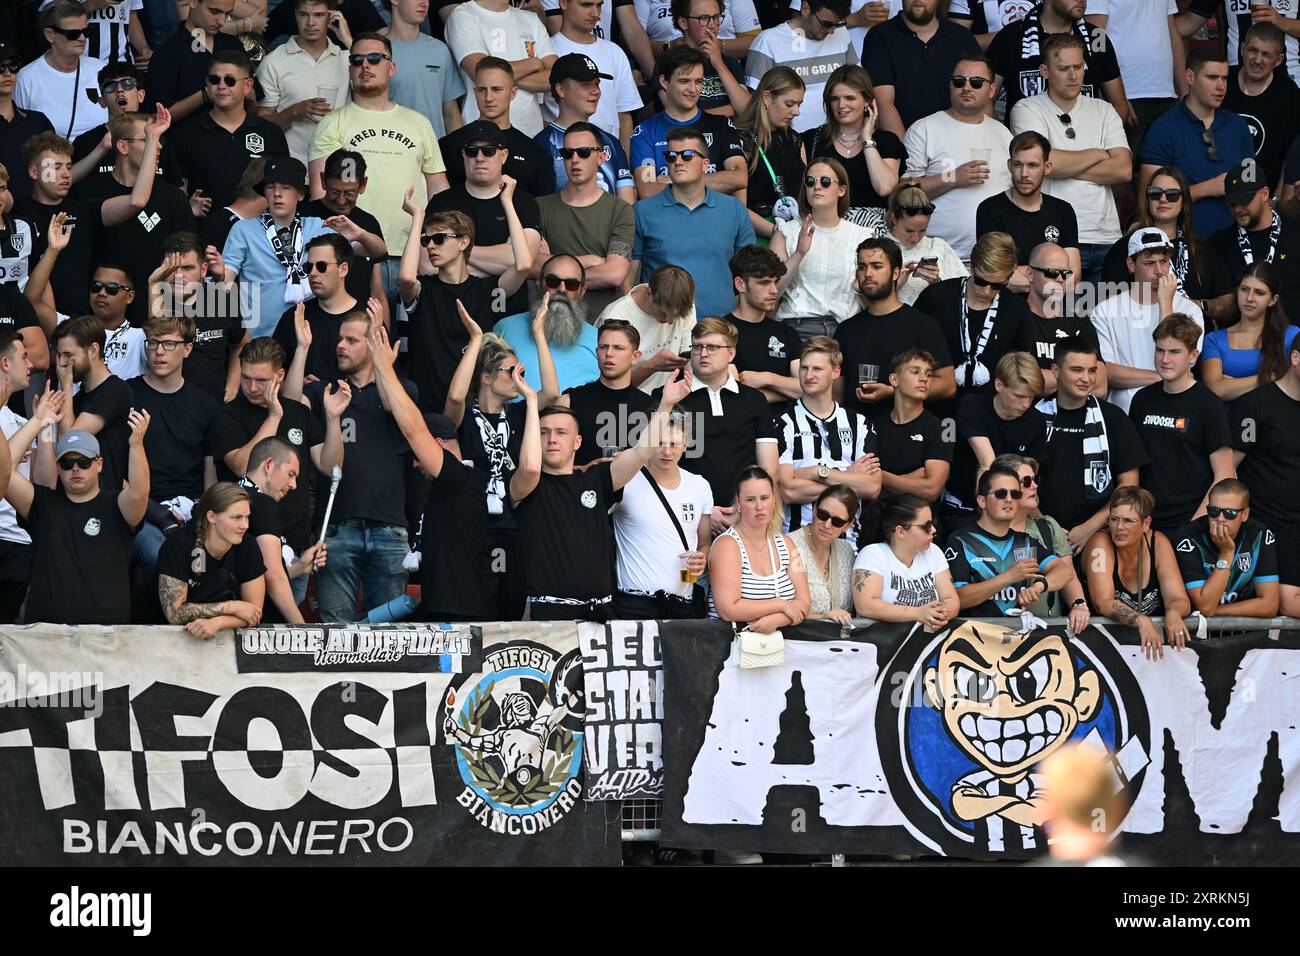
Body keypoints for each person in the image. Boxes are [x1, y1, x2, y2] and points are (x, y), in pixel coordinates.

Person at [511, 372, 692, 621]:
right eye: (543, 432)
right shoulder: (527, 484)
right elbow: (531, 467)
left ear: (577, 442)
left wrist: (666, 405)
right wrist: (532, 402)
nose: (552, 439)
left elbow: (641, 453)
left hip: (599, 614)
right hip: (548, 611)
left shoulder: (596, 478)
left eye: (561, 432)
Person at [363, 321, 498, 622]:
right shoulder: (448, 484)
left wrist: (383, 368)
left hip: (460, 615)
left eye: (416, 456)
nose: (413, 463)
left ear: (436, 445)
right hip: (440, 608)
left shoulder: (461, 479)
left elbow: (413, 429)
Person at [290, 307, 417, 623]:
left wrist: (383, 362)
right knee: (336, 634)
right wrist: (303, 348)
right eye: (339, 339)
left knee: (388, 637)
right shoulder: (326, 390)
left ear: (374, 343)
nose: (340, 346)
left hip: (389, 528)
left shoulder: (403, 390)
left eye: (351, 340)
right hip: (336, 528)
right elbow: (291, 407)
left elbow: (392, 405)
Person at [308, 32, 451, 287]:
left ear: (392, 67)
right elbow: (321, 194)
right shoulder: (332, 123)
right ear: (349, 69)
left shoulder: (419, 123)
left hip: (414, 254)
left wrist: (436, 245)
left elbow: (439, 192)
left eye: (375, 58)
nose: (365, 65)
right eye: (357, 59)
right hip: (354, 255)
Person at [208, 336, 343, 602]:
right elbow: (241, 466)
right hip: (246, 549)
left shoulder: (299, 413)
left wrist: (334, 419)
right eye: (246, 378)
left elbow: (330, 466)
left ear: (280, 375)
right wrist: (273, 416)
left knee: (284, 635)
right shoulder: (228, 415)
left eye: (261, 380)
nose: (252, 387)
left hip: (296, 548)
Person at [443, 325, 558, 621]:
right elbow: (456, 397)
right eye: (512, 372)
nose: (520, 379)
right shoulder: (466, 418)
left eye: (522, 373)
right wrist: (476, 341)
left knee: (508, 611)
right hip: (470, 527)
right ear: (486, 376)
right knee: (470, 610)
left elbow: (552, 392)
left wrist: (540, 334)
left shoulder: (519, 414)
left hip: (511, 527)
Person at [4, 415, 148, 625]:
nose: (75, 468)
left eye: (83, 461)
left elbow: (140, 494)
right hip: (45, 636)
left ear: (99, 464)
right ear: (58, 467)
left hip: (105, 637)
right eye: (67, 462)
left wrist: (136, 445)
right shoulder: (42, 504)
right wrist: (38, 419)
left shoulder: (116, 505)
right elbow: (2, 471)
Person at [1009, 33, 1129, 284]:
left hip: (1106, 235)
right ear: (1044, 70)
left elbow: (1124, 170)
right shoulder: (1027, 108)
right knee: (1061, 319)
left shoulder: (1104, 109)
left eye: (1078, 66)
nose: (1073, 75)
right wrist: (1097, 154)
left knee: (1104, 320)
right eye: (1063, 68)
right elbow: (1037, 164)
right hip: (1055, 237)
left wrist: (1058, 164)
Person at [399, 194, 532, 411]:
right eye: (426, 240)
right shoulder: (423, 289)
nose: (430, 246)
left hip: (474, 411)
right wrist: (418, 218)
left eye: (439, 238)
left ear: (463, 242)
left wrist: (507, 201)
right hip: (427, 408)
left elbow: (524, 265)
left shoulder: (487, 290)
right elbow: (406, 277)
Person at [17, 133, 163, 323]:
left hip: (81, 321)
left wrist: (151, 140)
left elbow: (136, 201)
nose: (65, 174)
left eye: (69, 167)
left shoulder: (83, 209)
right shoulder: (16, 210)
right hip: (31, 320)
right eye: (56, 167)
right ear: (34, 172)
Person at [128, 314, 220, 588]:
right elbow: (112, 470)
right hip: (141, 508)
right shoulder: (126, 395)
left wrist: (203, 515)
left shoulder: (205, 404)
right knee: (159, 556)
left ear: (188, 349)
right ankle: (143, 625)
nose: (158, 352)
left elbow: (210, 470)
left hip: (192, 510)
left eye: (168, 344)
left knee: (202, 565)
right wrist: (158, 514)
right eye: (152, 343)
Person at [78, 108, 192, 328]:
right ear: (122, 146)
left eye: (159, 139)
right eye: (149, 138)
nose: (158, 146)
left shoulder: (173, 198)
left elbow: (187, 259)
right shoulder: (90, 192)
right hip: (101, 316)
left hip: (157, 313)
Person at [1034, 336, 1148, 553]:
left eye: (1092, 371)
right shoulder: (1035, 417)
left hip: (1100, 532)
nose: (1086, 378)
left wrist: (1089, 528)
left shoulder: (1113, 417)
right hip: (1039, 530)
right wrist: (1047, 527)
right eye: (1077, 370)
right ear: (1056, 371)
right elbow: (1019, 482)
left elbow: (1129, 483)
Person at [632, 125, 755, 319]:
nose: (678, 161)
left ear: (706, 164)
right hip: (662, 327)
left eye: (687, 155)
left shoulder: (734, 209)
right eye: (671, 156)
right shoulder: (642, 211)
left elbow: (750, 274)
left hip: (720, 329)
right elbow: (631, 278)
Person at [1129, 313, 1235, 537]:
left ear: (1193, 356)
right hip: (1145, 521)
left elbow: (1225, 475)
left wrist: (1193, 526)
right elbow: (1133, 467)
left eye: (1175, 352)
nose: (1165, 359)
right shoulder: (1141, 399)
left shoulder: (1209, 404)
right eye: (1160, 350)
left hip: (1190, 521)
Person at [425, 121, 544, 319]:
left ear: (503, 156)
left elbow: (522, 260)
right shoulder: (442, 201)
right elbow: (425, 263)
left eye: (488, 151)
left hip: (507, 310)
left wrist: (452, 254)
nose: (480, 158)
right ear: (463, 155)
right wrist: (497, 262)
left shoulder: (523, 202)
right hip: (450, 309)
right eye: (472, 151)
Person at [662, 317, 778, 516]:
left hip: (744, 514)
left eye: (713, 347)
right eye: (697, 347)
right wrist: (705, 512)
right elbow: (658, 466)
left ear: (731, 353)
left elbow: (768, 469)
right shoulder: (668, 398)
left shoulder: (754, 400)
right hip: (684, 513)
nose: (703, 354)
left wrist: (742, 510)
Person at [904, 52, 1012, 262]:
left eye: (977, 82)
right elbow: (903, 193)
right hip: (935, 257)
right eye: (959, 81)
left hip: (993, 259)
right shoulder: (924, 129)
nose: (967, 88)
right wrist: (953, 178)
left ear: (992, 90)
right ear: (950, 85)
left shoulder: (1004, 134)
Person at [1139, 47, 1255, 238]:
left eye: (1224, 78)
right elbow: (1147, 201)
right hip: (1185, 243)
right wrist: (1208, 188)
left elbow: (1252, 184)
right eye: (1212, 77)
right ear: (1190, 77)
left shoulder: (1238, 125)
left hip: (1237, 241)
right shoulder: (1163, 129)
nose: (1221, 86)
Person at [834, 236, 956, 418]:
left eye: (877, 266)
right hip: (856, 439)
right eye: (862, 267)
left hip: (907, 437)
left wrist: (895, 391)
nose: (867, 273)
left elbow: (947, 386)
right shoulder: (845, 330)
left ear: (896, 273)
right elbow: (837, 396)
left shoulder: (923, 325)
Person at [609, 411, 713, 619]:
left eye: (674, 444)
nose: (667, 451)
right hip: (634, 602)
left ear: (686, 445)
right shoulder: (626, 479)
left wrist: (702, 560)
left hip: (682, 602)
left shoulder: (699, 486)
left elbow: (704, 542)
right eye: (659, 443)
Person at [777, 336, 880, 545]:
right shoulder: (782, 423)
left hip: (848, 542)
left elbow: (871, 487)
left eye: (817, 369)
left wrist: (817, 472)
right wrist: (847, 479)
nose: (808, 375)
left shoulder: (860, 424)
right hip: (795, 542)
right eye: (804, 368)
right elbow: (786, 490)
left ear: (836, 372)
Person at [916, 231, 1031, 416]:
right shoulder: (937, 297)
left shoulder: (1017, 309)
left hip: (991, 412)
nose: (986, 291)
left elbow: (1019, 365)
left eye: (997, 286)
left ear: (1010, 277)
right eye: (980, 281)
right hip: (935, 410)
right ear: (972, 265)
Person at [217, 156, 334, 338]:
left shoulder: (317, 226)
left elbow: (376, 252)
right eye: (270, 187)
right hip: (258, 338)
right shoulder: (243, 229)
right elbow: (225, 283)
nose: (277, 194)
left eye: (285, 187)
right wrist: (218, 276)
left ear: (301, 195)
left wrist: (357, 234)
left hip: (307, 336)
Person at [1101, 166, 1232, 324]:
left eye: (1172, 195)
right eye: (1155, 193)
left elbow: (1228, 302)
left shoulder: (1202, 248)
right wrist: (1155, 305)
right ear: (1148, 199)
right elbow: (1108, 304)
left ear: (1184, 202)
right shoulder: (1126, 247)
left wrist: (1197, 305)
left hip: (1193, 339)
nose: (1163, 199)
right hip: (1137, 337)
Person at [1092, 229, 1204, 413]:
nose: (1159, 271)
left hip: (1175, 412)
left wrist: (1165, 304)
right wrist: (1161, 378)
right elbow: (1106, 372)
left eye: (1164, 261)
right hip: (1125, 414)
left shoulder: (1190, 310)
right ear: (1131, 264)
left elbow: (1183, 363)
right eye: (1149, 263)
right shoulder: (1105, 311)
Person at [945, 462, 1073, 617]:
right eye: (1000, 494)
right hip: (975, 635)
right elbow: (957, 598)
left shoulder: (1026, 542)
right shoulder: (960, 541)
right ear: (982, 501)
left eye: (1015, 494)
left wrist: (1038, 587)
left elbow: (1064, 572)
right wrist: (1008, 577)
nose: (1009, 499)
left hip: (1016, 636)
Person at [169, 50, 290, 213]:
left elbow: (284, 187)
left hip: (258, 233)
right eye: (214, 79)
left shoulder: (270, 133)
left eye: (230, 80)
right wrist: (186, 207)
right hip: (204, 233)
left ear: (247, 86)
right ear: (207, 84)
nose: (221, 86)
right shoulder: (186, 133)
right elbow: (176, 189)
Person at [1231, 337, 1300, 616]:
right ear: (1295, 358)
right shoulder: (1256, 407)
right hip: (1271, 525)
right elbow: (1228, 467)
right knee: (1288, 599)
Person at [1083, 486, 1192, 660]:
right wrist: (1141, 620)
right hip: (1106, 649)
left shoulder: (1158, 542)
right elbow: (1102, 602)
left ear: (1146, 523)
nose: (1119, 527)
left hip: (1151, 651)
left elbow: (1178, 598)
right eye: (1114, 519)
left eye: (1128, 521)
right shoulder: (1100, 543)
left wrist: (1174, 613)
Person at [537, 122, 636, 316]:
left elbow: (615, 274)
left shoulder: (620, 210)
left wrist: (553, 273)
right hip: (551, 320)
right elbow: (530, 266)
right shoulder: (540, 206)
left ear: (601, 157)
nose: (574, 159)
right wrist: (591, 260)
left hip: (603, 327)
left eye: (583, 152)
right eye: (567, 153)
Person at [772, 158, 877, 333]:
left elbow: (872, 296)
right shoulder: (785, 231)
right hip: (797, 326)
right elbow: (771, 290)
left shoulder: (862, 236)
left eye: (826, 182)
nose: (817, 187)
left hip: (846, 329)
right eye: (810, 181)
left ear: (842, 190)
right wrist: (799, 253)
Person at [629, 46, 747, 201]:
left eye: (698, 81)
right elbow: (648, 190)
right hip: (668, 222)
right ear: (664, 81)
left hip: (715, 221)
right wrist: (717, 180)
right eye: (684, 81)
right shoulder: (645, 132)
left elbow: (739, 178)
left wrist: (674, 180)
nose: (693, 89)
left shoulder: (722, 125)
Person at [708, 464, 811, 632]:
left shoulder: (787, 543)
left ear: (774, 500)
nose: (759, 506)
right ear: (739, 503)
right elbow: (728, 609)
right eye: (750, 499)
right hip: (732, 646)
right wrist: (781, 605)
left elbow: (804, 601)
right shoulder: (727, 545)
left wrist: (777, 620)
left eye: (764, 498)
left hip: (781, 648)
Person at [985, 0, 1128, 121]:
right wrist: (1005, 140)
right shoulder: (1012, 35)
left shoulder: (1097, 38)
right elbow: (985, 99)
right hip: (1028, 147)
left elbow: (1119, 102)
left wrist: (1106, 136)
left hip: (1090, 143)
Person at [157, 481, 266, 637]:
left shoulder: (247, 545)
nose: (245, 525)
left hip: (224, 638)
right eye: (236, 517)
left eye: (247, 517)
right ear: (211, 516)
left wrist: (218, 622)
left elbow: (254, 612)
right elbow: (174, 614)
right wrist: (232, 607)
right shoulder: (179, 545)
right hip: (167, 639)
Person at [975, 130, 1081, 291]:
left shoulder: (1063, 210)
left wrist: (1020, 272)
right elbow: (994, 273)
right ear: (1010, 165)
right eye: (1018, 165)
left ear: (1047, 167)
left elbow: (1073, 275)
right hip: (1006, 308)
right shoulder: (990, 209)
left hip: (1053, 308)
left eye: (1032, 165)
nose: (1024, 174)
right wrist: (1051, 278)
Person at [150, 232, 246, 403]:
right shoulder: (154, 299)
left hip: (214, 405)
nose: (178, 275)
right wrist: (154, 286)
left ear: (203, 270)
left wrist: (233, 384)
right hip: (166, 405)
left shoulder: (221, 300)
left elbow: (241, 343)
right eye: (171, 267)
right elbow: (157, 333)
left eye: (187, 268)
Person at [438, 57, 555, 198]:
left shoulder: (534, 152)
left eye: (496, 89)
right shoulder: (448, 146)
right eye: (482, 90)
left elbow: (542, 208)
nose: (488, 98)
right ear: (475, 93)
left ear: (513, 93)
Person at [862, 0, 980, 138]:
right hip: (903, 144)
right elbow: (883, 103)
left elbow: (981, 95)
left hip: (957, 140)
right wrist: (907, 155)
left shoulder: (962, 37)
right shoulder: (880, 36)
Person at [997, 452, 1089, 628]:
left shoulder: (1047, 526)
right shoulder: (983, 531)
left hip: (1046, 628)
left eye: (1035, 479)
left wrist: (1079, 605)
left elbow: (1068, 574)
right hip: (993, 630)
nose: (1035, 485)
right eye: (1026, 481)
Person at [240, 435, 326, 624]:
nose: (294, 485)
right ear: (268, 465)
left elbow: (254, 570)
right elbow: (273, 576)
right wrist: (304, 633)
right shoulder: (263, 504)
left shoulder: (231, 495)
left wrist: (300, 567)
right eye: (291, 474)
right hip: (259, 628)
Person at [948, 351, 1045, 517]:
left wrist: (1043, 523)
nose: (1026, 404)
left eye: (1031, 397)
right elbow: (989, 465)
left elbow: (1029, 481)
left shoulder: (1036, 421)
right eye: (1019, 396)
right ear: (999, 385)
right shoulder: (973, 406)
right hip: (964, 507)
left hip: (1014, 509)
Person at [255, 0, 351, 165]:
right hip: (291, 167)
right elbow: (262, 124)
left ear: (332, 17)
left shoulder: (348, 59)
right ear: (295, 15)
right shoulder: (274, 62)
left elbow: (382, 77)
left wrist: (348, 40)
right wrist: (295, 111)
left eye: (319, 15)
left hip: (337, 167)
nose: (311, 22)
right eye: (304, 14)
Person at [800, 64, 903, 218]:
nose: (841, 105)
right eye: (835, 99)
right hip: (824, 228)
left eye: (850, 98)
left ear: (867, 101)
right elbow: (801, 193)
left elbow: (884, 187)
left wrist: (867, 138)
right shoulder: (811, 139)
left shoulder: (887, 141)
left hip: (872, 233)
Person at [444, 0, 557, 137]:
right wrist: (533, 64)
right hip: (482, 136)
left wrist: (500, 78)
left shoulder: (531, 19)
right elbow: (479, 73)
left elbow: (557, 77)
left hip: (531, 133)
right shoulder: (464, 14)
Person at [49, 314, 134, 496]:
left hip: (107, 502)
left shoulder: (115, 390)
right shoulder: (79, 398)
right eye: (59, 355)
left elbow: (69, 443)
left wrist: (65, 385)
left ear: (93, 350)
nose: (62, 363)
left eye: (69, 355)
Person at [299, 148, 389, 319]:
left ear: (363, 185)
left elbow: (377, 292)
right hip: (312, 320)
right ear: (323, 181)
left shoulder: (368, 223)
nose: (341, 201)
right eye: (334, 192)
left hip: (358, 324)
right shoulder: (303, 216)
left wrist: (384, 339)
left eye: (349, 193)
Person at [1173, 477, 1281, 620]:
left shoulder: (1259, 535)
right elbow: (1205, 605)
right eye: (1214, 511)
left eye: (1230, 513)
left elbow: (1270, 605)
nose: (1220, 518)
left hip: (1245, 632)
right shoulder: (1188, 537)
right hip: (1199, 634)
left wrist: (1216, 611)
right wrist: (1226, 553)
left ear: (1245, 514)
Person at [871, 348, 954, 531]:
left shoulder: (945, 427)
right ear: (894, 380)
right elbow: (867, 488)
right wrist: (911, 479)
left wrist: (881, 476)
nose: (924, 378)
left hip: (920, 529)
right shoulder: (871, 425)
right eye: (915, 372)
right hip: (876, 525)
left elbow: (932, 490)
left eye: (928, 374)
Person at [742, 0, 855, 134]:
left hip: (837, 137)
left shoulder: (841, 33)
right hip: (789, 141)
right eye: (826, 24)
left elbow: (856, 84)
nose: (831, 31)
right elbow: (755, 104)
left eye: (838, 24)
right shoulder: (768, 41)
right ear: (805, 8)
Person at [1209, 160, 1300, 323]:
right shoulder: (1218, 243)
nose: (1237, 209)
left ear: (1265, 194)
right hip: (1240, 341)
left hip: (1292, 340)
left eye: (1245, 200)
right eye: (1232, 202)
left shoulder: (1295, 235)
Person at [0, 334, 51, 622]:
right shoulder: (27, 424)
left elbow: (45, 486)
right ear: (6, 363)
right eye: (23, 357)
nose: (31, 365)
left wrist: (43, 425)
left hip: (19, 542)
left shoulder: (22, 421)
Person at [851, 492, 958, 628]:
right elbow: (866, 606)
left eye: (933, 523)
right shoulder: (872, 554)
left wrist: (939, 615)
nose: (933, 530)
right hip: (883, 644)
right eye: (926, 526)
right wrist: (918, 613)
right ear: (900, 532)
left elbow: (951, 599)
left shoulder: (934, 551)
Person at [496, 255, 599, 394]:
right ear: (539, 283)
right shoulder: (505, 329)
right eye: (553, 281)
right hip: (516, 415)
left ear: (582, 291)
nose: (562, 289)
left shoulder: (600, 341)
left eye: (571, 284)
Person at [557, 319, 654, 466]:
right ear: (597, 352)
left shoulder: (650, 407)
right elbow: (549, 465)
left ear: (635, 357)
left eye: (618, 348)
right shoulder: (569, 402)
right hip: (580, 487)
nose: (609, 353)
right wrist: (586, 470)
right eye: (603, 347)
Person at [544, 0, 642, 145]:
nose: (595, 14)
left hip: (609, 157)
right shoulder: (547, 51)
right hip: (562, 155)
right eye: (586, 4)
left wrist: (625, 163)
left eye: (599, 5)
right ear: (563, 3)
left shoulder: (614, 51)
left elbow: (624, 116)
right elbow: (542, 117)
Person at [534, 62, 635, 203]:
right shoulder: (542, 144)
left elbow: (627, 204)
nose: (596, 91)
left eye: (597, 84)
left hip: (613, 224)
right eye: (586, 85)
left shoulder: (611, 141)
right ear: (561, 90)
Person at [1202, 262, 1300, 403]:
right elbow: (1216, 390)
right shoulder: (1214, 339)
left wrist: (1233, 384)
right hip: (1229, 422)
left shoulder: (1291, 335)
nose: (1249, 298)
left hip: (1279, 420)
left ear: (1273, 300)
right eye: (1244, 289)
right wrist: (1273, 377)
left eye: (1259, 293)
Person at [272, 233, 359, 386]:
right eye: (308, 267)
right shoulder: (294, 318)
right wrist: (297, 384)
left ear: (343, 270)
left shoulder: (367, 318)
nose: (312, 273)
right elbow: (270, 378)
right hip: (304, 407)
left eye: (321, 266)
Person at [15, 2, 109, 141]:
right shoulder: (27, 79)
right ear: (50, 35)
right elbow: (20, 134)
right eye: (73, 34)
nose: (82, 38)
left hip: (105, 158)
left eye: (87, 31)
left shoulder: (102, 69)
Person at [1223, 23, 1299, 193]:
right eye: (1252, 50)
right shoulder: (1222, 81)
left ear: (1278, 60)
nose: (1257, 59)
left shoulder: (1288, 93)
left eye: (1265, 54)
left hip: (1265, 198)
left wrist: (1276, 200)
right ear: (1242, 49)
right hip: (1219, 193)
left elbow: (1291, 156)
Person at [732, 66, 806, 238]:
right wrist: (779, 234)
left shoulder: (795, 139)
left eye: (799, 104)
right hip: (759, 236)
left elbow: (806, 193)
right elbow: (737, 207)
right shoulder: (741, 141)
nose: (797, 112)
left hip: (796, 232)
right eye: (790, 104)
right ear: (767, 97)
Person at [1020, 242, 1104, 396]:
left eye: (1065, 273)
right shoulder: (1015, 320)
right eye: (1052, 272)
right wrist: (1079, 381)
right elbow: (1020, 381)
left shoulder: (1078, 319)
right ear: (1030, 274)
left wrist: (1045, 378)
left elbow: (1101, 385)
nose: (1060, 279)